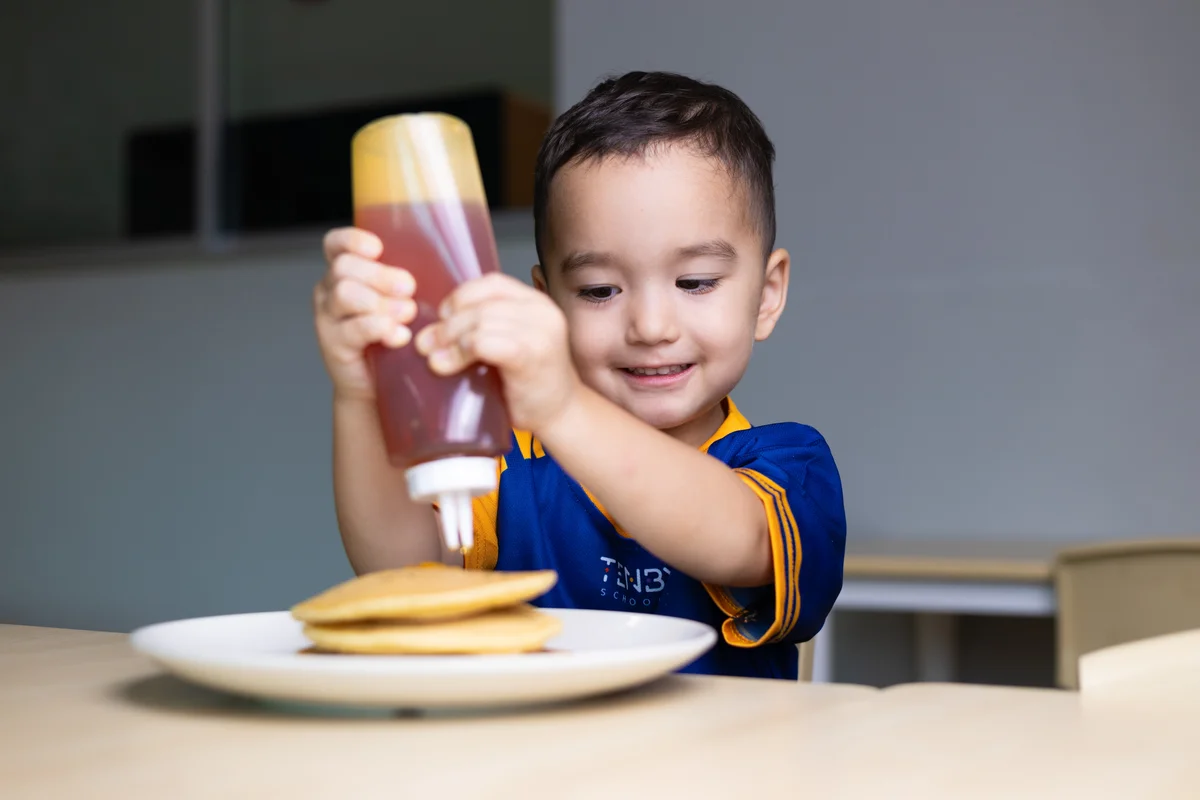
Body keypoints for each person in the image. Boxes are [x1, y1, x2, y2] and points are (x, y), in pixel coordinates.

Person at [312, 71, 845, 679]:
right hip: (539, 770)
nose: (650, 325)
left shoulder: (790, 467)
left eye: (695, 282)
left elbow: (738, 540)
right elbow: (401, 576)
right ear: (550, 300)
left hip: (715, 773)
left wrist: (564, 408)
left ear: (767, 294)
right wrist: (359, 393)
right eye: (598, 290)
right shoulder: (510, 465)